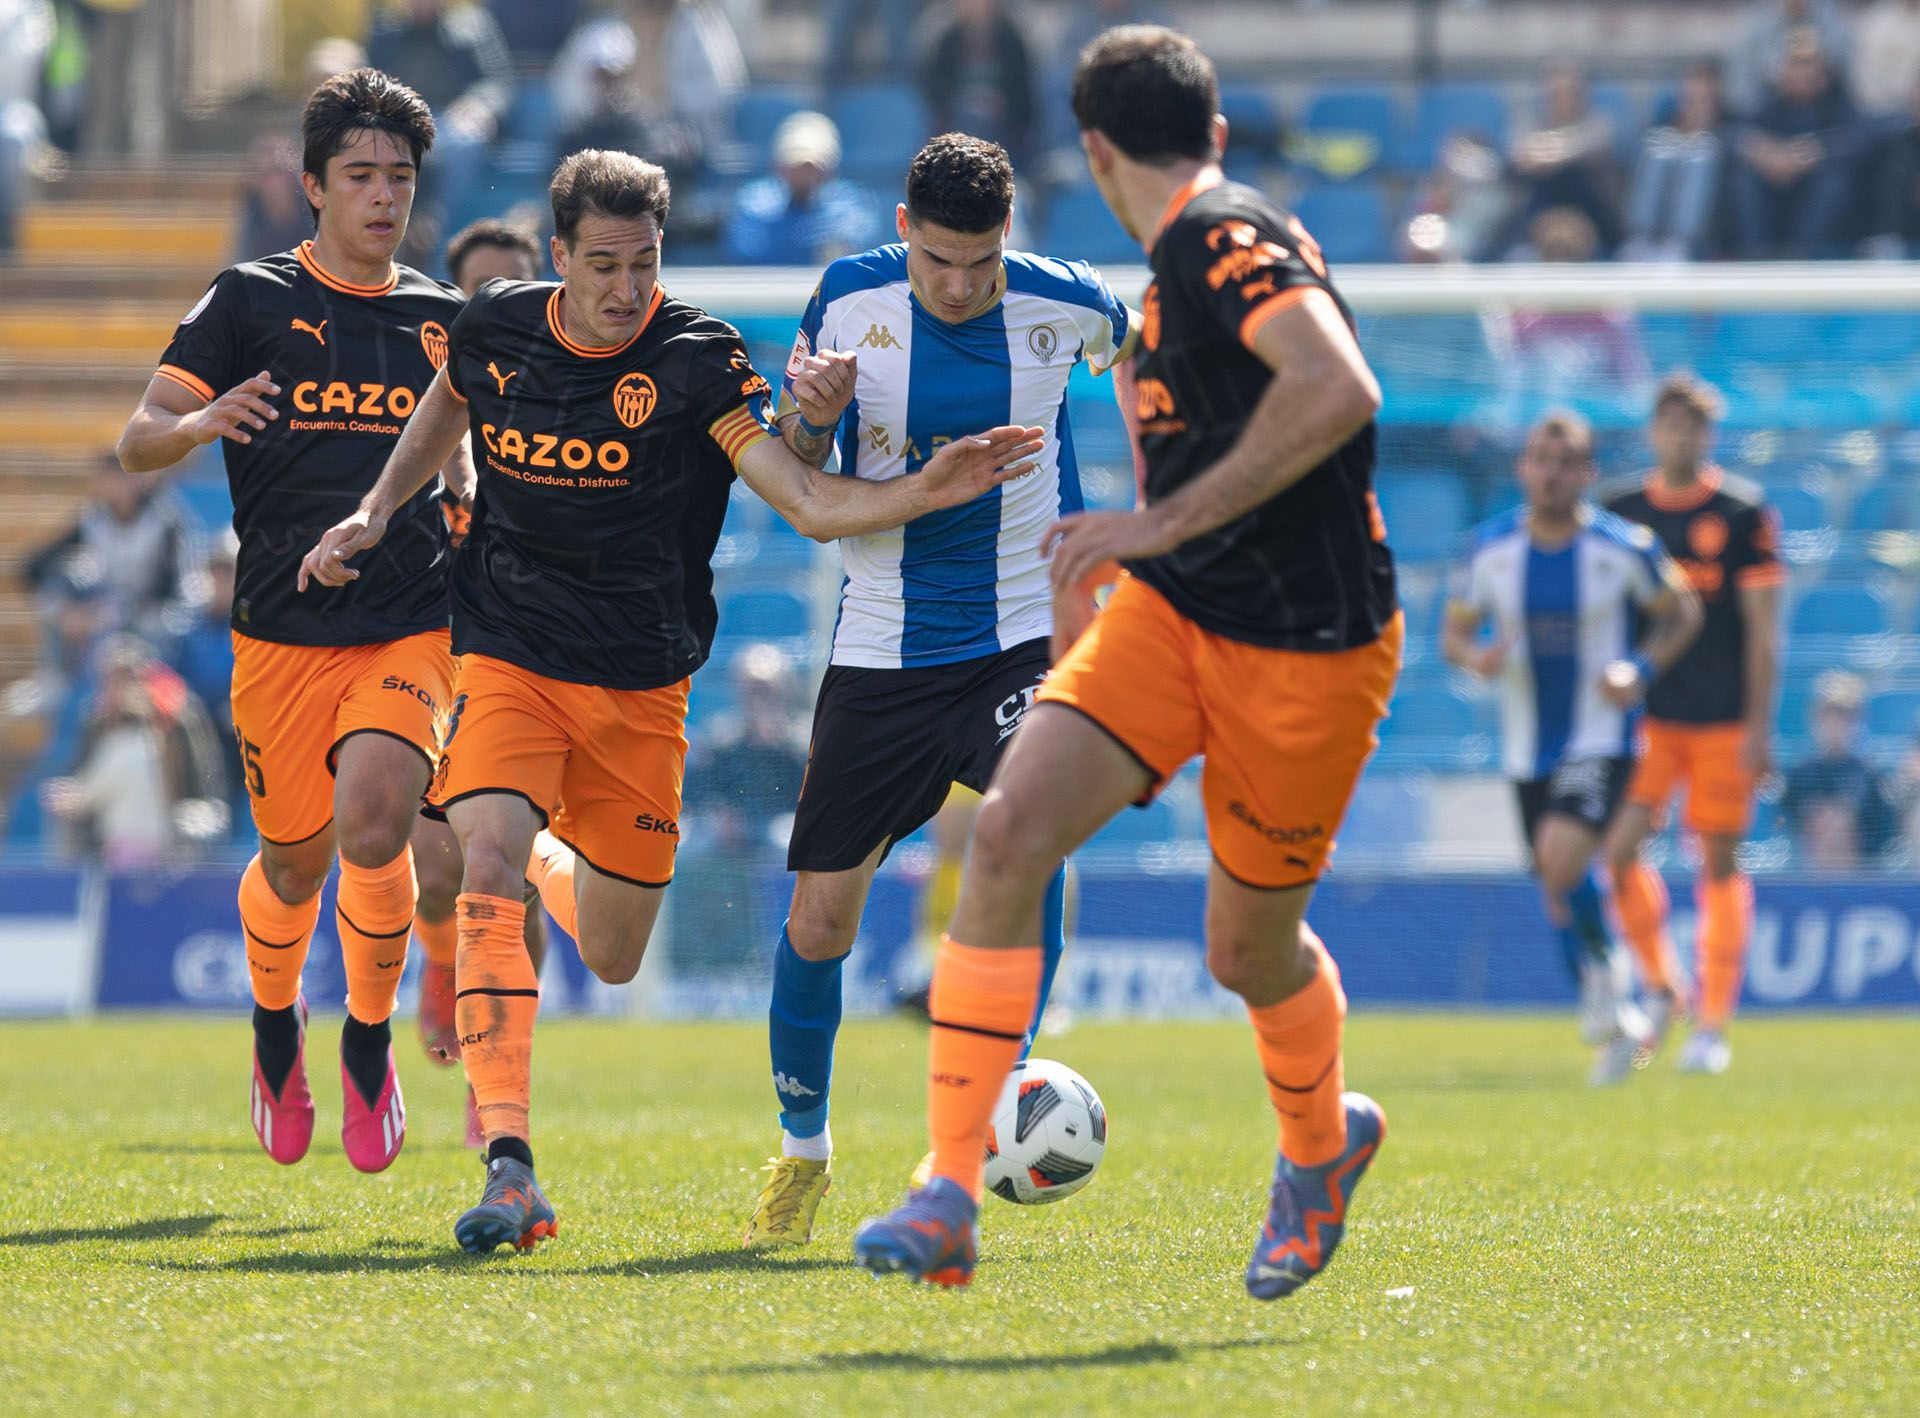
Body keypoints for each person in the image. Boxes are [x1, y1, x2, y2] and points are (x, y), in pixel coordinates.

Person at [298, 146, 1044, 1253]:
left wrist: (915, 484)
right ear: (559, 255)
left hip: (642, 686)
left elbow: (799, 492)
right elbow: (445, 404)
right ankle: (512, 1166)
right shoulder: (495, 323)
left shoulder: (697, 358)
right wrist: (375, 507)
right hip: (507, 653)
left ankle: (553, 857)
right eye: (602, 264)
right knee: (486, 859)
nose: (623, 287)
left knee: (610, 950)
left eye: (642, 262)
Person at [854, 26, 1399, 1298]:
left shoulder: (1221, 236)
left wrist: (1146, 528)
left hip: (1309, 652)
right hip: (1175, 618)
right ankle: (944, 1191)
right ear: (1208, 126)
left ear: (1093, 150)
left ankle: (1322, 1148)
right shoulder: (1164, 276)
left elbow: (1339, 386)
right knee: (1005, 834)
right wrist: (1110, 590)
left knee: (1245, 954)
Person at [739, 131, 1138, 1249]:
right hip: (879, 647)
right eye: (939, 262)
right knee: (822, 917)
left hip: (1021, 636)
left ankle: (980, 1119)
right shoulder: (849, 297)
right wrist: (812, 413)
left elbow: (1149, 371)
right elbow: (800, 457)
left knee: (1024, 839)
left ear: (1007, 238)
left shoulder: (1073, 307)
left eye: (981, 263)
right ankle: (803, 1147)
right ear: (904, 232)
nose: (960, 287)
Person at [115, 69, 471, 1177]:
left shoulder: (444, 324)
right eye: (359, 175)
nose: (382, 196)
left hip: (411, 621)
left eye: (399, 178)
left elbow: (475, 457)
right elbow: (137, 437)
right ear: (313, 187)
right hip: (279, 633)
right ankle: (278, 1028)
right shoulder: (249, 300)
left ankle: (367, 1036)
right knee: (293, 862)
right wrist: (201, 419)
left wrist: (467, 493)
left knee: (377, 824)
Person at [1445, 413, 1702, 1084]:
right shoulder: (1489, 550)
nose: (1552, 472)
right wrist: (1476, 657)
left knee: (1561, 862)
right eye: (1540, 458)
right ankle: (1617, 1015)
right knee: (1557, 888)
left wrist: (1638, 671)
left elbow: (1684, 611)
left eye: (1566, 462)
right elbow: (1454, 634)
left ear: (1587, 473)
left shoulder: (1625, 548)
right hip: (1527, 744)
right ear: (1522, 468)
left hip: (1602, 736)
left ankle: (1612, 981)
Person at [409, 215, 550, 1151]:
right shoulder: (427, 400)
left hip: (535, 666)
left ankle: (495, 1078)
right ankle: (436, 965)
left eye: (512, 286)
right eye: (479, 291)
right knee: (434, 883)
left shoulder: (562, 395)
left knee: (519, 885)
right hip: (435, 665)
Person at [1602, 374, 1783, 1078]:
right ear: (1653, 430)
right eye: (1669, 423)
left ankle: (1713, 1023)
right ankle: (1662, 987)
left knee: (1717, 863)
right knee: (1618, 854)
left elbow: (1763, 629)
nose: (1681, 436)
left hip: (1723, 719)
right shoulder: (1621, 510)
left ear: (1708, 435)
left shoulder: (1741, 511)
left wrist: (1759, 725)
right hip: (1647, 718)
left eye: (1694, 426)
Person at [364, 0, 514, 262]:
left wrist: (478, 104)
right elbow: (369, 84)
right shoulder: (384, 32)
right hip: (400, 120)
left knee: (463, 141)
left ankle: (432, 228)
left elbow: (498, 82)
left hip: (453, 119)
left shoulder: (473, 28)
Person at [1732, 32, 1864, 259]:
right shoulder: (1769, 102)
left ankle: (1803, 259)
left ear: (1823, 74)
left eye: (1808, 66)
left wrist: (1817, 152)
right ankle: (1756, 258)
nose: (1801, 73)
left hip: (1815, 187)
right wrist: (1762, 151)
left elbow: (1860, 137)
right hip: (1772, 185)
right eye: (1795, 65)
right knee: (1744, 181)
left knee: (1833, 184)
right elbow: (1736, 131)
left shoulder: (1837, 103)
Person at [722, 112, 883, 267]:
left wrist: (786, 237)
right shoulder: (753, 200)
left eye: (813, 167)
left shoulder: (852, 202)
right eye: (795, 167)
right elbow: (747, 251)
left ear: (829, 171)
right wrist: (813, 241)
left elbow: (851, 250)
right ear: (779, 167)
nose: (804, 175)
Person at [1779, 671, 1899, 868]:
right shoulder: (1800, 776)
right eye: (1829, 717)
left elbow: (1882, 834)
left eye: (1845, 718)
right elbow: (1787, 827)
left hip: (1860, 875)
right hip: (1810, 874)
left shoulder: (1871, 778)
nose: (1835, 726)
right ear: (1815, 719)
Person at [1507, 63, 1623, 257]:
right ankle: (1528, 244)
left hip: (1590, 213)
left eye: (1569, 92)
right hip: (1542, 209)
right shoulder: (1531, 122)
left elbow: (1582, 148)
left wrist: (1549, 154)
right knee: (1542, 180)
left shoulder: (1600, 123)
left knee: (1570, 173)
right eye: (1556, 92)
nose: (1562, 98)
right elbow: (1517, 154)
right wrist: (1546, 156)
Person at [1623, 60, 1732, 262]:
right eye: (1689, 100)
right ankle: (1640, 240)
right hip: (1656, 225)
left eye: (1703, 101)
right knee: (1658, 149)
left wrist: (1700, 135)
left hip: (1705, 234)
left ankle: (1679, 244)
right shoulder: (1660, 131)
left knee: (1702, 152)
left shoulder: (1728, 134)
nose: (1695, 108)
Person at [919, 0, 1037, 166]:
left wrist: (1000, 104)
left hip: (1004, 132)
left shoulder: (1013, 41)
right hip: (956, 127)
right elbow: (935, 93)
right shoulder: (946, 42)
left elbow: (1023, 97)